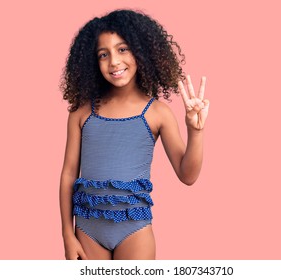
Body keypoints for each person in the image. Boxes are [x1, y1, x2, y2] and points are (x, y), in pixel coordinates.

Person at [59, 9, 209, 260]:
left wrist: (195, 131)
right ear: (92, 62)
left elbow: (188, 175)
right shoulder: (81, 113)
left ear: (141, 52)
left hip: (135, 231)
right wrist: (66, 232)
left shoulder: (158, 113)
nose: (114, 62)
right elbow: (68, 174)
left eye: (122, 49)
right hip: (87, 228)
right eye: (103, 54)